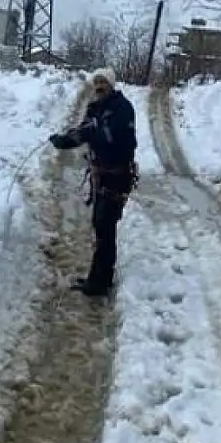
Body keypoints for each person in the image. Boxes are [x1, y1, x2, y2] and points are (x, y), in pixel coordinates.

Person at [48, 67, 138, 296]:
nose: (99, 86)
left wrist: (91, 132)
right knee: (101, 228)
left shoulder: (122, 108)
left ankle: (98, 283)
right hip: (101, 176)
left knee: (104, 226)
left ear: (111, 84)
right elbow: (83, 132)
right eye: (96, 82)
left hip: (117, 177)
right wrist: (64, 141)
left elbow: (111, 137)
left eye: (103, 82)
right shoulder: (95, 108)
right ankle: (100, 277)